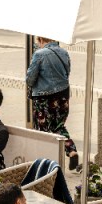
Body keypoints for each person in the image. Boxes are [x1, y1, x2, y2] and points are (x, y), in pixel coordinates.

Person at [26, 37, 79, 170]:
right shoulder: (64, 52)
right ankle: (71, 151)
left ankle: (45, 163)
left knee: (43, 130)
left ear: (40, 39)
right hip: (63, 95)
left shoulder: (39, 54)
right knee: (58, 126)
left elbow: (30, 79)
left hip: (44, 97)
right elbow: (67, 72)